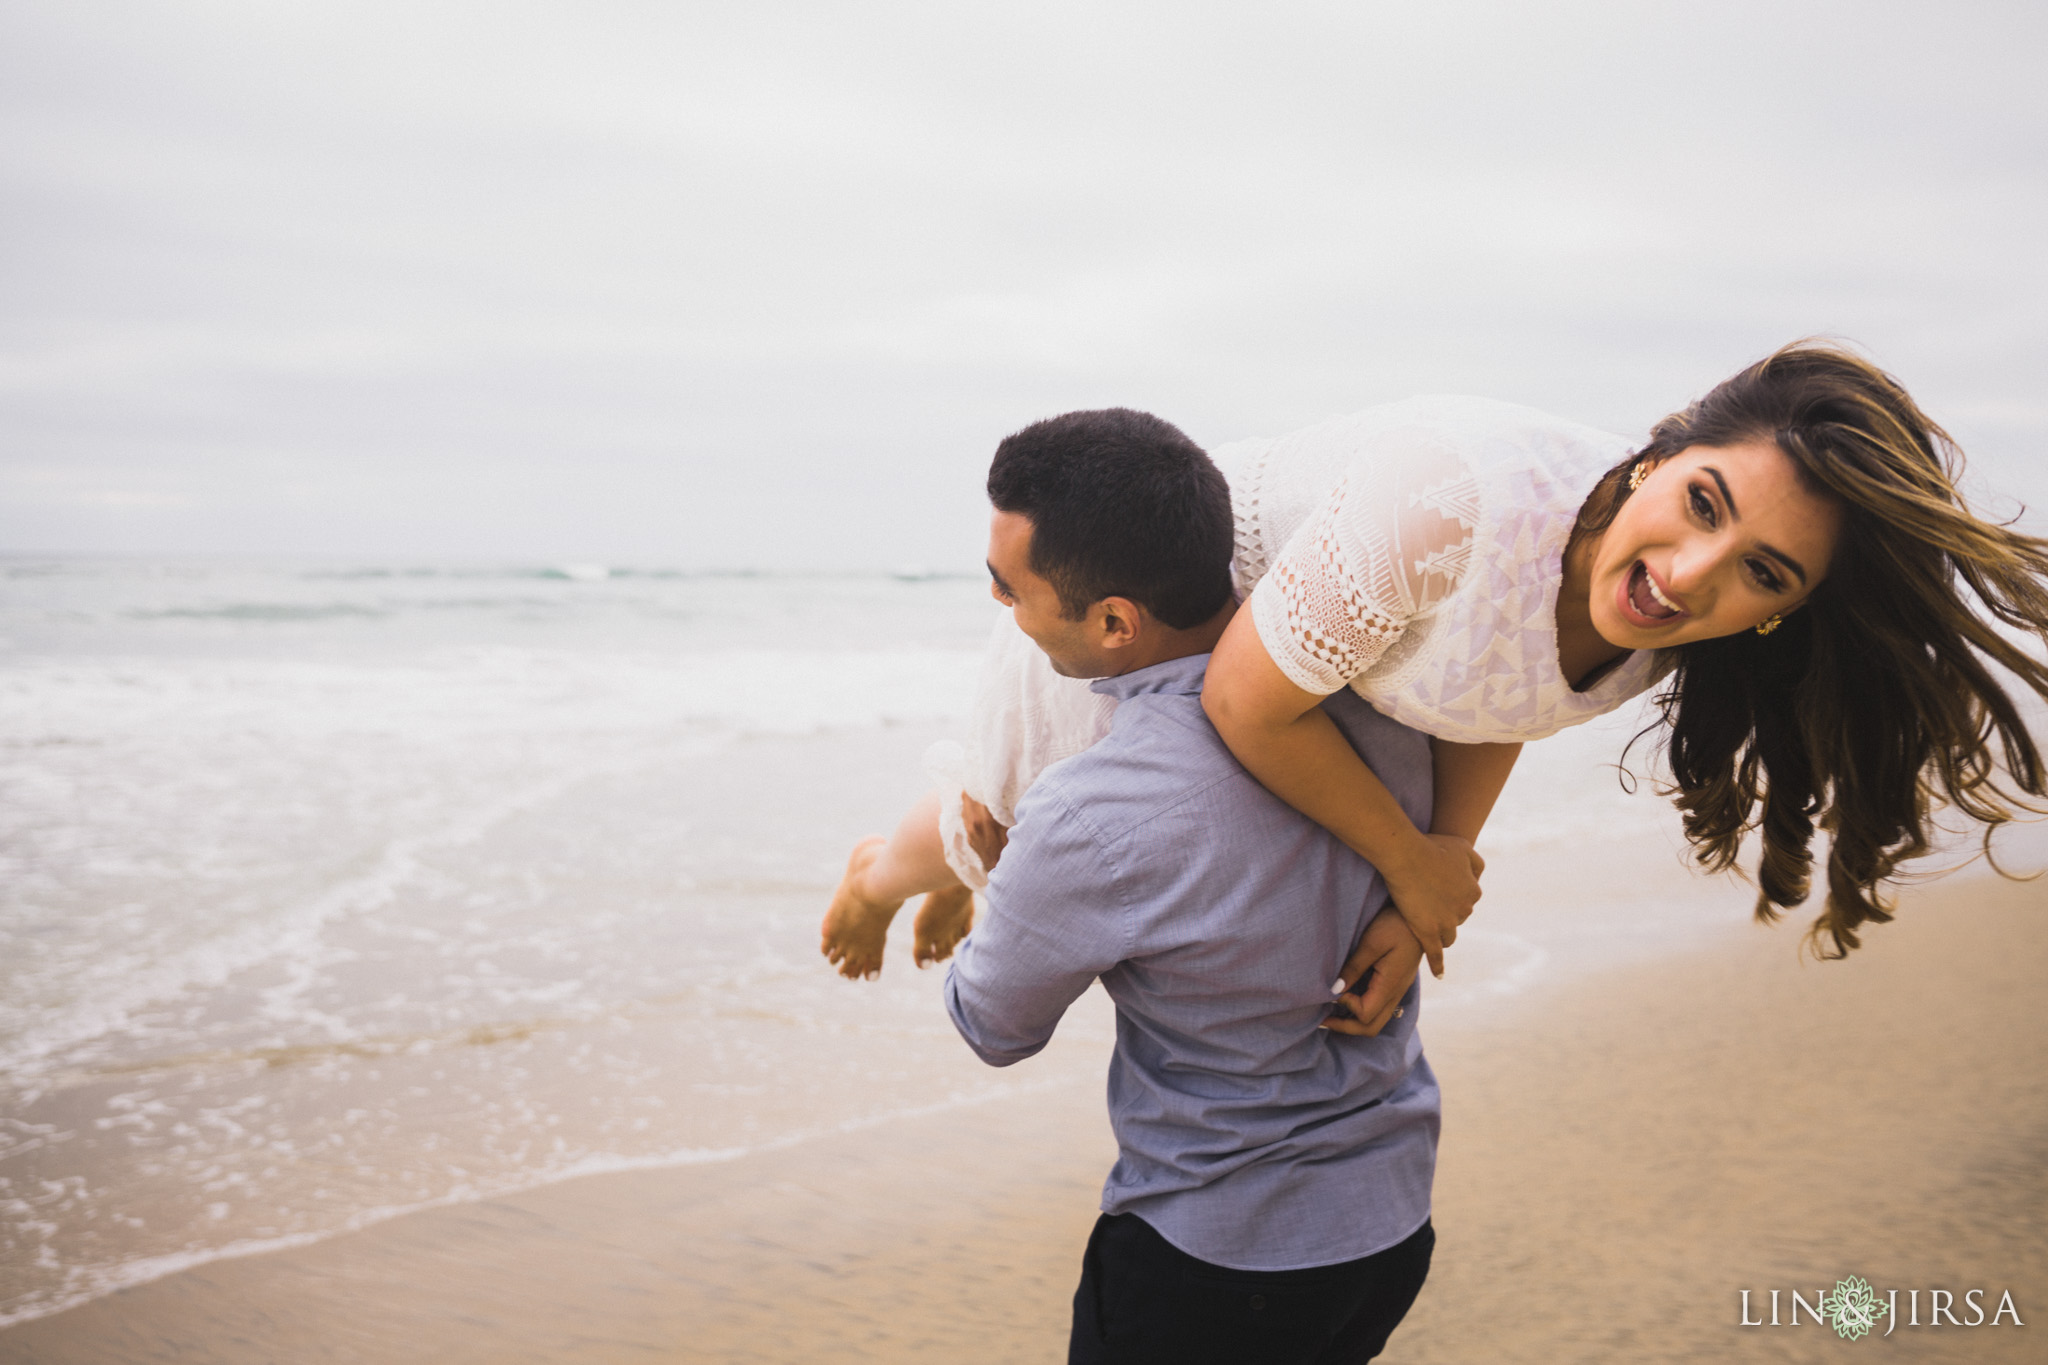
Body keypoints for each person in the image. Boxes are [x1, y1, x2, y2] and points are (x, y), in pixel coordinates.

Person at [821, 341, 2048, 980]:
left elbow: (1499, 692)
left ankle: (960, 873)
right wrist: (1413, 862)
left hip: (1326, 677)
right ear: (1660, 450)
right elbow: (1246, 700)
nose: (1688, 572)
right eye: (1704, 502)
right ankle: (886, 872)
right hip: (1174, 612)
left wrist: (1431, 880)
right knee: (1004, 810)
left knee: (1074, 850)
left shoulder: (1661, 626)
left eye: (1761, 574)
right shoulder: (1450, 495)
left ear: (1783, 611)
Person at [945, 409, 1439, 1363]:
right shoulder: (1382, 701)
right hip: (1389, 1220)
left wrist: (1005, 881)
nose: (1004, 612)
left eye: (1012, 593)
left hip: (1215, 1256)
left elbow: (991, 1024)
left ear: (1116, 622)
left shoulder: (1091, 812)